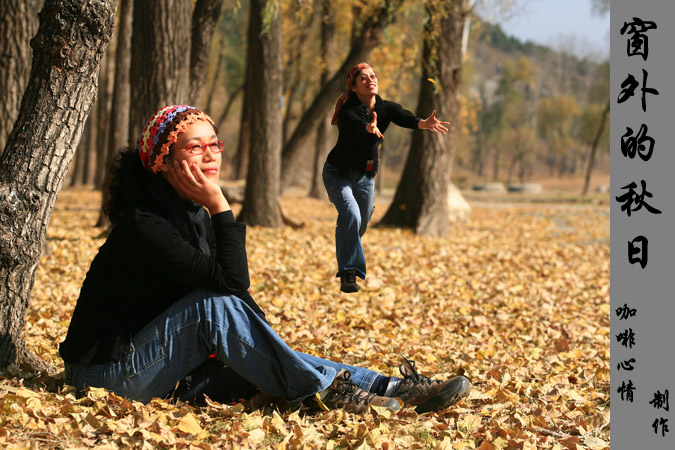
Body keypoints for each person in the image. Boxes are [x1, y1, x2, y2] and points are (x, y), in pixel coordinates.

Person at [59, 105, 470, 414]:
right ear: (163, 160)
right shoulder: (143, 224)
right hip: (103, 378)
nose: (210, 155)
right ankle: (326, 395)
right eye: (194, 147)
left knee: (262, 345)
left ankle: (389, 389)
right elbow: (227, 291)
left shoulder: (190, 214)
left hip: (160, 363)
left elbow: (236, 293)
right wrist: (221, 204)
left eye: (213, 145)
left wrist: (265, 343)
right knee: (213, 309)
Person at [323, 62, 450, 293]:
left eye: (373, 75)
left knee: (358, 225)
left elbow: (403, 117)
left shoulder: (385, 108)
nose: (370, 79)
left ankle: (346, 247)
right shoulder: (346, 110)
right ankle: (349, 274)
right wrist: (368, 128)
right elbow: (353, 124)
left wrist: (423, 123)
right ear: (353, 87)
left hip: (365, 178)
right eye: (363, 78)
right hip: (337, 173)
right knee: (350, 214)